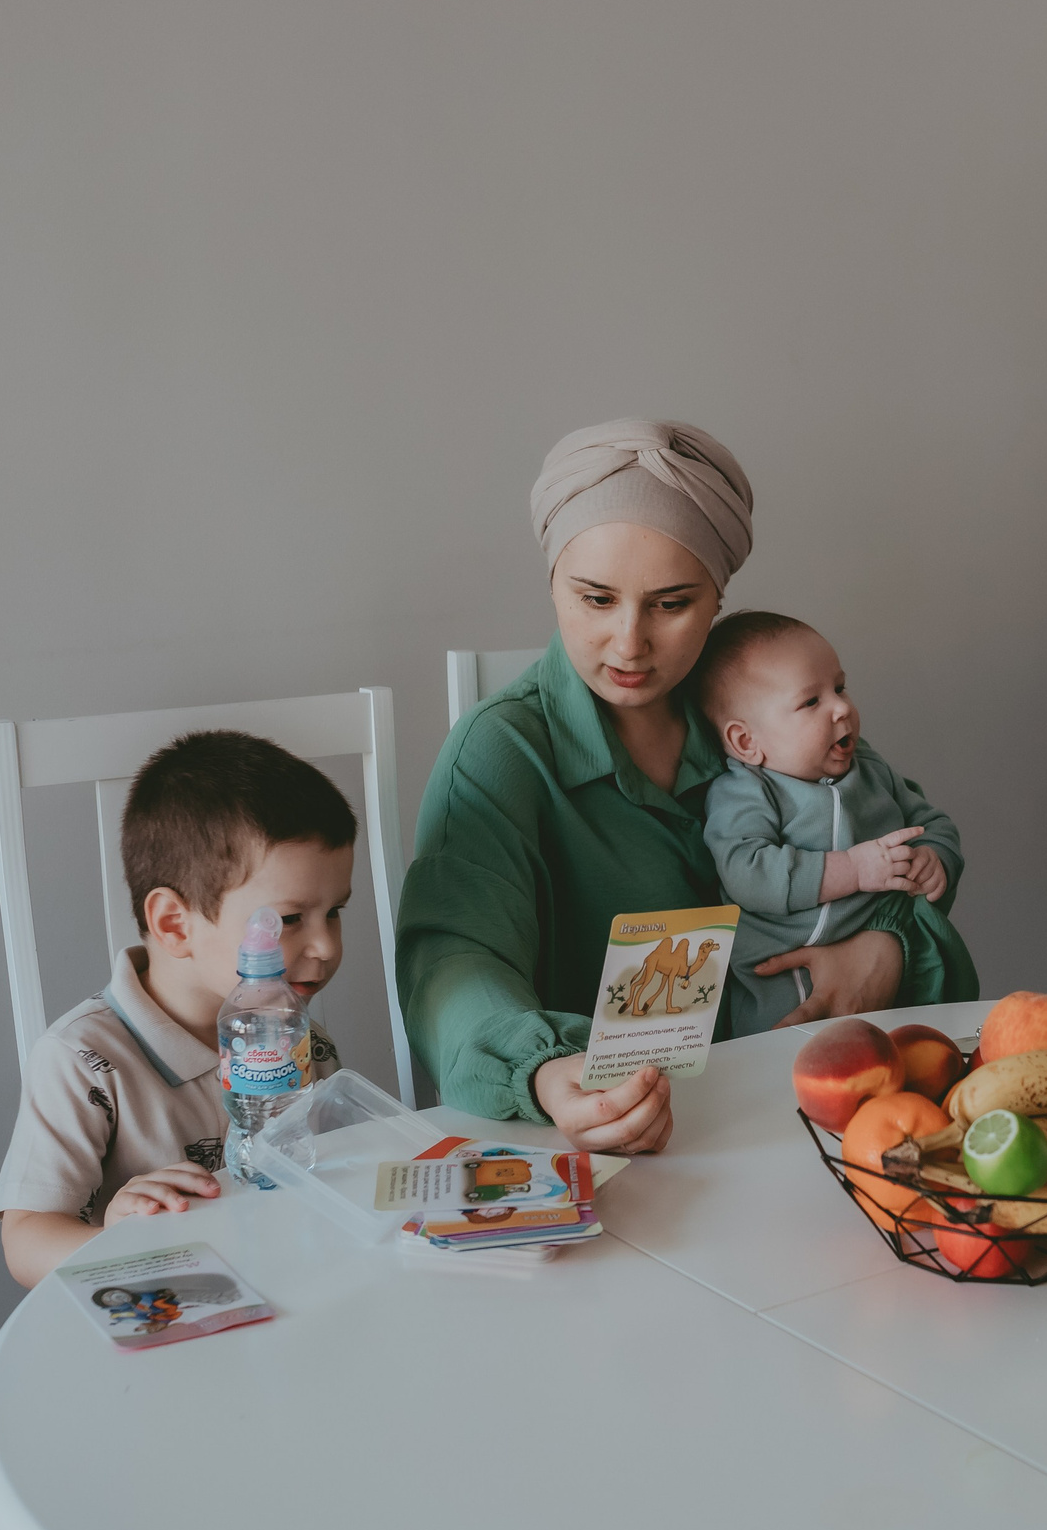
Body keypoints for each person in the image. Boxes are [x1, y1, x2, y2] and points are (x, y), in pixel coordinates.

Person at [398, 419, 973, 1153]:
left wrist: (885, 952)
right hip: (614, 1155)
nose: (630, 643)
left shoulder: (768, 719)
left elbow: (906, 859)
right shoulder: (499, 752)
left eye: (671, 604)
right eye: (595, 599)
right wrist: (543, 1069)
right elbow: (453, 959)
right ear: (552, 584)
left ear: (718, 598)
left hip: (803, 1128)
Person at [0, 732, 355, 1289]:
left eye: (335, 913)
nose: (326, 946)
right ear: (173, 924)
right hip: (160, 1322)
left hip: (283, 1293)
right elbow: (26, 1239)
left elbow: (344, 1170)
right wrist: (125, 1241)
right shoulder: (83, 1060)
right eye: (288, 919)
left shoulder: (297, 1041)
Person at [694, 609, 973, 1032]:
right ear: (746, 741)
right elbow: (746, 872)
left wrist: (935, 855)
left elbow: (929, 821)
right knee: (792, 1065)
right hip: (788, 989)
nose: (841, 707)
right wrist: (855, 869)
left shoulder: (870, 768)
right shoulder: (746, 791)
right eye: (812, 701)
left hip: (897, 972)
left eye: (840, 687)